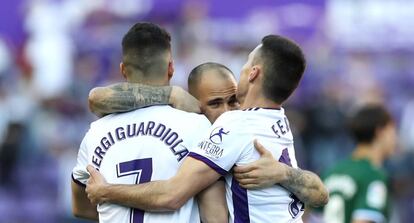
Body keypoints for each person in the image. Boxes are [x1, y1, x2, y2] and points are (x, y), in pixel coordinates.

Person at [85, 35, 329, 222]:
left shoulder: (235, 126)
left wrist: (106, 191)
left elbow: (172, 196)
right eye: (214, 104)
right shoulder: (277, 121)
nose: (225, 111)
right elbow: (319, 194)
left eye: (231, 101)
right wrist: (169, 94)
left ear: (253, 73)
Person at [71, 22, 224, 223]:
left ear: (123, 70)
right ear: (171, 67)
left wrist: (116, 202)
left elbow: (81, 207)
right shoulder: (197, 126)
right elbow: (216, 217)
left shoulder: (95, 133)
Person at [322, 104, 396, 223]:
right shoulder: (373, 175)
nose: (395, 138)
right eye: (392, 130)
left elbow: (311, 215)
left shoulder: (332, 170)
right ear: (380, 132)